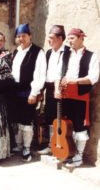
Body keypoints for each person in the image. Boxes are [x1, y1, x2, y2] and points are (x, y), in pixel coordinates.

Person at [54, 28, 99, 167]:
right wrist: (56, 89)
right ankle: (68, 153)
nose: (69, 41)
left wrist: (75, 81)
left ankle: (78, 156)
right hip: (64, 95)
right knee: (67, 127)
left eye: (72, 38)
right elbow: (57, 74)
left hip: (80, 95)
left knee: (80, 126)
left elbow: (93, 78)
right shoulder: (65, 55)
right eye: (68, 38)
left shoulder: (92, 56)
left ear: (81, 38)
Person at [11, 23, 46, 162]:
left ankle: (26, 148)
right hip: (16, 92)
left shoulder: (38, 52)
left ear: (30, 36)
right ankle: (19, 146)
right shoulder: (16, 51)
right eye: (18, 36)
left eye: (23, 36)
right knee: (17, 120)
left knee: (26, 121)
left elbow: (40, 74)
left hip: (28, 92)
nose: (21, 39)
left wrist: (34, 92)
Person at [38, 25, 69, 155]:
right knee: (50, 117)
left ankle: (62, 146)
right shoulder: (49, 52)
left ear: (60, 38)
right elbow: (45, 72)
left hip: (63, 89)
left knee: (61, 118)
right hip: (49, 88)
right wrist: (41, 90)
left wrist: (60, 88)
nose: (48, 40)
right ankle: (52, 146)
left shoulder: (68, 52)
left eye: (51, 38)